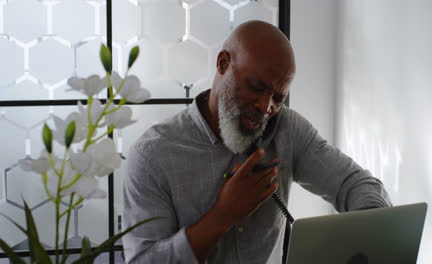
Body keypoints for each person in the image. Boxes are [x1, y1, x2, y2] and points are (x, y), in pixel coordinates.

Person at [122, 20, 391, 263]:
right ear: (223, 64)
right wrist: (222, 216)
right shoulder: (152, 156)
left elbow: (354, 183)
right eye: (256, 87)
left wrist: (369, 234)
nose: (265, 107)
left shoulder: (286, 128)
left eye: (278, 97)